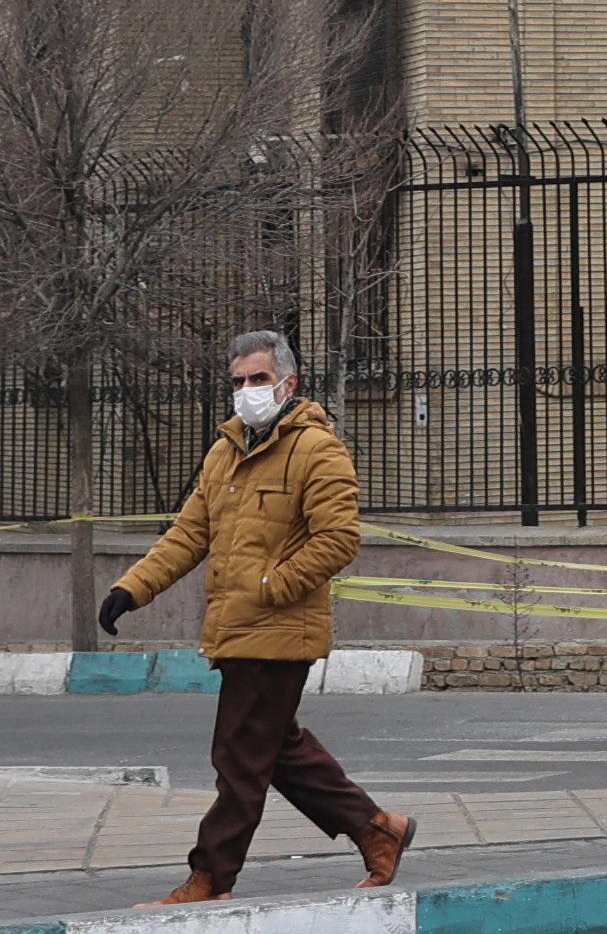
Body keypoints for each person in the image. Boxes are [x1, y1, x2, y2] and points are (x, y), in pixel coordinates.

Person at [99, 328, 410, 904]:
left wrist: (272, 586)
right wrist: (132, 588)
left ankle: (212, 876)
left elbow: (338, 539)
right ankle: (376, 828)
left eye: (259, 379)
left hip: (279, 629)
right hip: (235, 626)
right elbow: (189, 534)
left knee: (239, 757)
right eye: (239, 381)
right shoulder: (225, 451)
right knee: (275, 748)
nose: (247, 390)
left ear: (288, 384)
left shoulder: (318, 448)